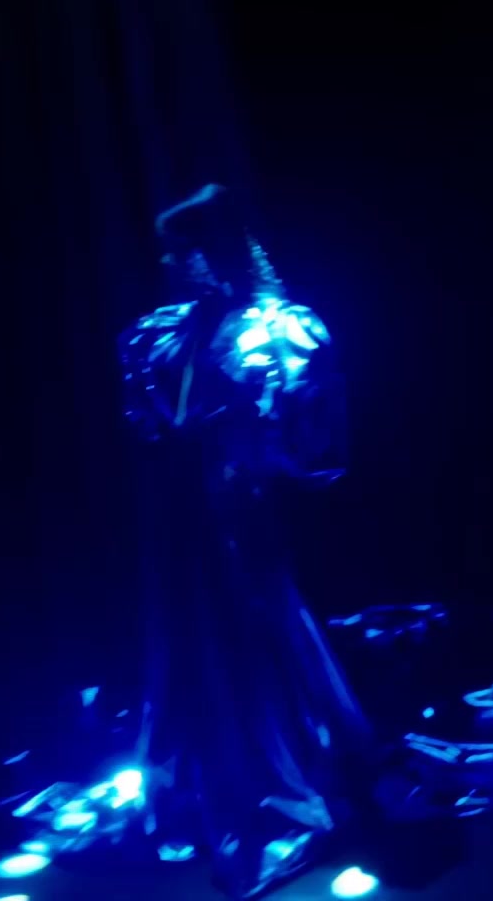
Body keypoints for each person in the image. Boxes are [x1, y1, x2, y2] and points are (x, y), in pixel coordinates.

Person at [116, 183, 369, 897]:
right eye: (169, 252)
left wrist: (246, 447)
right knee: (192, 638)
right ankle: (205, 776)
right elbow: (149, 419)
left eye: (183, 250)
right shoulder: (162, 332)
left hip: (236, 506)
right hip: (181, 512)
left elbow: (313, 439)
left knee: (253, 634)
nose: (170, 263)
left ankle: (278, 777)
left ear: (213, 250)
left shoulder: (277, 328)